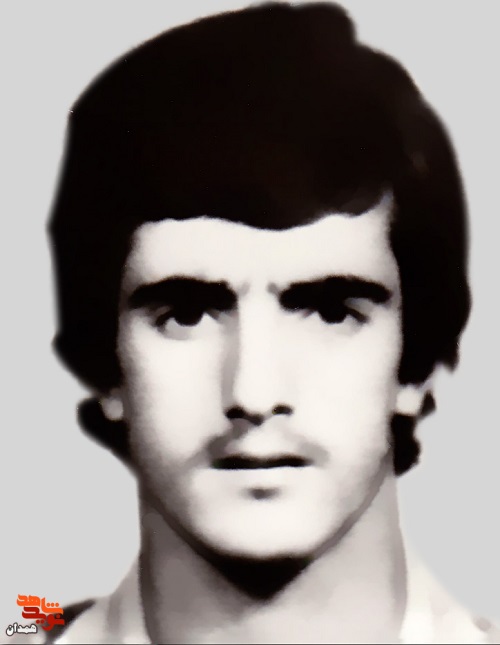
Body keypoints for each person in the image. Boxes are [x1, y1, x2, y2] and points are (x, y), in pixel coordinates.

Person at [13, 2, 498, 643]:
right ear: (106, 366)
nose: (254, 393)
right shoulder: (24, 629)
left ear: (419, 363)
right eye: (186, 314)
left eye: (331, 311)